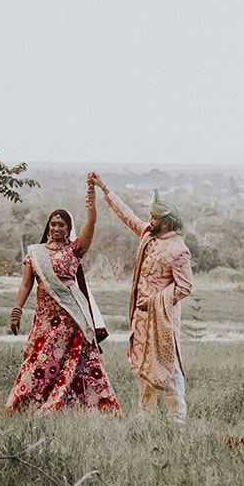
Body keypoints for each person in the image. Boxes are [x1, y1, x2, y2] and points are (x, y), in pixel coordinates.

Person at [5, 176, 120, 413]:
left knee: (78, 362)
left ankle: (79, 405)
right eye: (53, 224)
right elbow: (26, 285)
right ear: (48, 227)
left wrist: (92, 196)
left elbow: (91, 224)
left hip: (73, 319)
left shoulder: (74, 250)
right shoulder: (35, 254)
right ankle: (28, 403)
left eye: (62, 225)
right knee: (41, 360)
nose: (57, 228)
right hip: (46, 321)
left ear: (68, 229)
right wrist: (16, 311)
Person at [95, 175, 193, 421]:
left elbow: (185, 287)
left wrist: (153, 301)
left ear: (166, 222)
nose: (149, 221)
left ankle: (178, 420)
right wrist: (105, 189)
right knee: (142, 368)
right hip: (141, 320)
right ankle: (144, 418)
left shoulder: (178, 250)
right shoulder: (149, 238)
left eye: (154, 218)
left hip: (163, 321)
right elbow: (127, 216)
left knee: (168, 370)